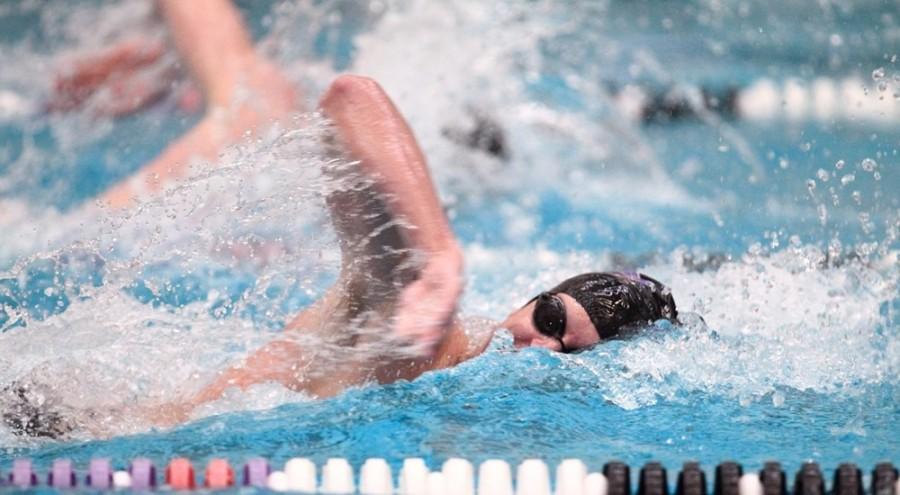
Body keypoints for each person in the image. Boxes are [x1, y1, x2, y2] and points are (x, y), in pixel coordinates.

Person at [8, 0, 678, 435]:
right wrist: (442, 255)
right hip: (65, 420)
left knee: (248, 85)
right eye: (551, 320)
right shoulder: (415, 321)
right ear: (538, 294)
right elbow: (353, 95)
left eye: (568, 354)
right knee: (245, 98)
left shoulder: (451, 377)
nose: (540, 346)